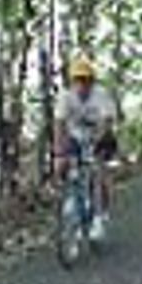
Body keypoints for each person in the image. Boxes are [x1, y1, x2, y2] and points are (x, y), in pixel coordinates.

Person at [55, 56, 118, 225]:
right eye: (78, 79)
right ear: (72, 81)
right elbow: (59, 124)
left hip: (100, 135)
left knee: (100, 171)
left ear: (92, 81)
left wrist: (96, 142)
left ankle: (103, 211)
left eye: (85, 79)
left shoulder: (101, 95)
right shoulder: (65, 96)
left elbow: (106, 122)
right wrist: (59, 153)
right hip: (76, 135)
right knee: (63, 165)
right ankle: (69, 195)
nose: (82, 84)